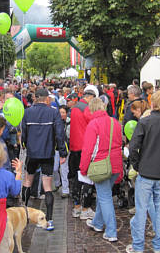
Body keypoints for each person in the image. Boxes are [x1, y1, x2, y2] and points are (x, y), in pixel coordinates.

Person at [126, 91, 160, 253]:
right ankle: (159, 246)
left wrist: (138, 165)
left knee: (142, 210)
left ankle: (138, 246)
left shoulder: (145, 122)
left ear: (153, 104)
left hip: (146, 172)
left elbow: (133, 147)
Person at [21, 88, 67, 231]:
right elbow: (59, 134)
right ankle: (50, 219)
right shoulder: (53, 112)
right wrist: (63, 152)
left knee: (28, 182)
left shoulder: (27, 112)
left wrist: (24, 145)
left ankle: (24, 214)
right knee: (47, 186)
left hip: (32, 153)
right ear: (47, 99)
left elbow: (24, 133)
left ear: (35, 98)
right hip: (47, 153)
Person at [79, 98, 123, 242]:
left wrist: (83, 168)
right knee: (104, 195)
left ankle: (111, 232)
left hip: (101, 165)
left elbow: (88, 149)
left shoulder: (93, 124)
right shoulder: (114, 122)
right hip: (115, 164)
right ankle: (97, 223)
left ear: (92, 110)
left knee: (105, 198)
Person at [68, 86, 97, 220]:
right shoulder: (86, 108)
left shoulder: (74, 107)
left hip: (74, 147)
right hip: (84, 147)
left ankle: (77, 207)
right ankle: (85, 208)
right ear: (90, 97)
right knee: (86, 179)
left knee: (76, 179)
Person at [53, 105, 70, 198]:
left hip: (65, 149)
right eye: (60, 112)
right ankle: (57, 183)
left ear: (66, 113)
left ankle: (65, 190)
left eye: (63, 112)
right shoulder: (55, 122)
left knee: (64, 170)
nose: (61, 114)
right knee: (55, 168)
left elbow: (69, 137)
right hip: (56, 149)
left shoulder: (69, 123)